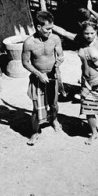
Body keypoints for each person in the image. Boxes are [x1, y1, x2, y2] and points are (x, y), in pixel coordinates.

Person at [22, 11, 65, 146]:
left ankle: (54, 120)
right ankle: (35, 131)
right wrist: (39, 74)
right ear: (39, 27)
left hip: (52, 76)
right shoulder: (29, 43)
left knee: (54, 104)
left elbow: (61, 55)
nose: (50, 31)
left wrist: (58, 63)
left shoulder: (55, 39)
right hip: (38, 78)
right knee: (36, 108)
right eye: (47, 29)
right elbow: (25, 62)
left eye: (51, 28)